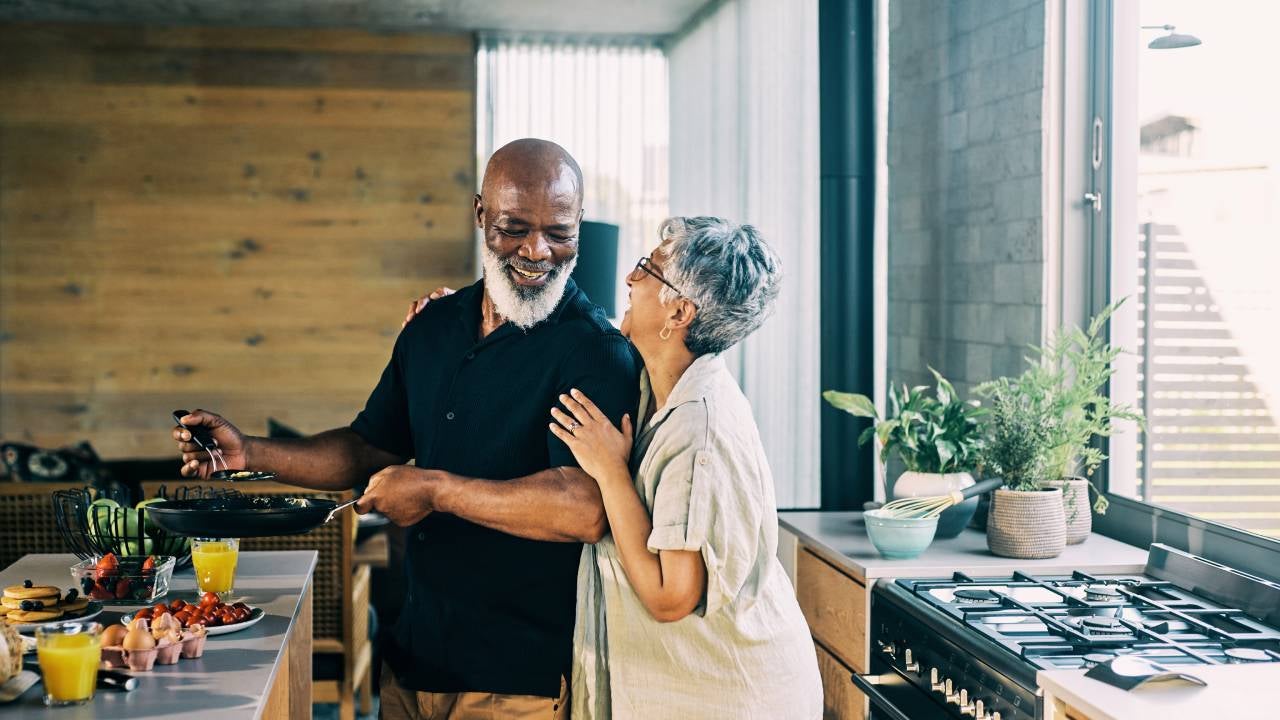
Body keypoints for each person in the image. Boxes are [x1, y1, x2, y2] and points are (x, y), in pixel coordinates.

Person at [171, 138, 641, 720]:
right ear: (479, 215)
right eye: (514, 227)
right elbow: (367, 447)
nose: (537, 250)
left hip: (518, 680)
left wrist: (434, 489)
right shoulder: (433, 326)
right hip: (415, 658)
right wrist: (249, 452)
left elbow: (586, 507)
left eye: (560, 232)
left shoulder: (595, 352)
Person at [410, 217, 822, 719]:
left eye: (649, 268)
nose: (630, 278)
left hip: (732, 692)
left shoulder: (700, 429)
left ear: (679, 312)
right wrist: (475, 315)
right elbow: (572, 331)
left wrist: (610, 473)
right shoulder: (657, 379)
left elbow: (671, 596)